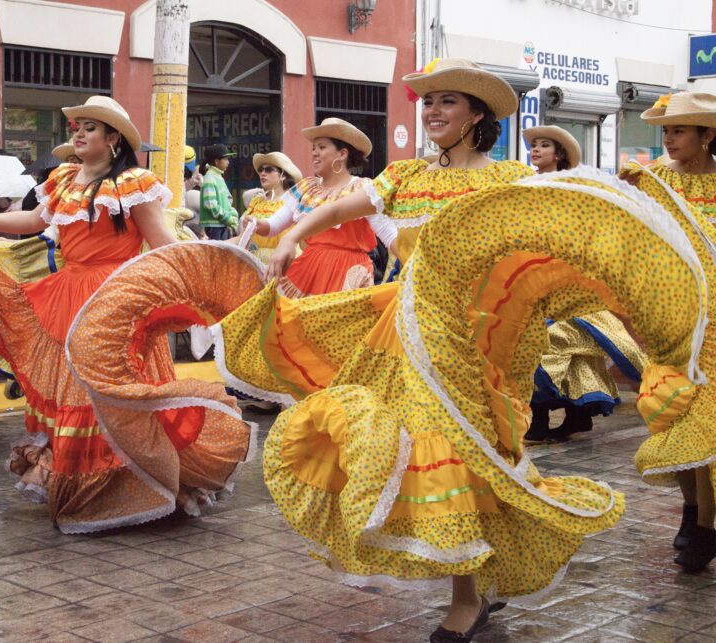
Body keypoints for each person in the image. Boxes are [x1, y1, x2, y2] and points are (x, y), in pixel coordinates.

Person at [211, 58, 628, 641]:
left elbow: (550, 236)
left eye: (447, 102)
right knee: (425, 442)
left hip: (472, 337)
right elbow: (336, 208)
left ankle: (474, 587)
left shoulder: (505, 179)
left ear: (476, 114)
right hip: (405, 330)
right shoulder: (403, 177)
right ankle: (467, 593)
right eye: (427, 102)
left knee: (469, 449)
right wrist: (292, 240)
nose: (432, 111)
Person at [0, 95, 253, 533]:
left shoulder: (134, 183)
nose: (78, 133)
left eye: (89, 126)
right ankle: (89, 482)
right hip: (68, 294)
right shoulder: (65, 178)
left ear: (113, 138)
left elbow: (162, 244)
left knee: (108, 390)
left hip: (116, 299)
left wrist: (210, 266)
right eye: (77, 126)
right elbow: (32, 220)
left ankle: (127, 483)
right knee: (73, 390)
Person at [618, 91, 716, 572]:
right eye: (666, 131)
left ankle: (703, 526)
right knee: (675, 414)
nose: (669, 140)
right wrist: (635, 316)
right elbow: (631, 249)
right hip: (673, 318)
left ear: (707, 135)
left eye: (679, 131)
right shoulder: (648, 182)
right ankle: (693, 508)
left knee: (709, 420)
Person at [522, 126, 646, 443]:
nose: (536, 150)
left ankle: (552, 418)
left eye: (543, 145)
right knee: (548, 347)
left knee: (551, 346)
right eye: (533, 145)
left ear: (558, 153)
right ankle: (572, 416)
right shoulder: (525, 186)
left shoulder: (574, 189)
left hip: (569, 282)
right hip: (533, 280)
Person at [242, 119, 388, 297]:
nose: (315, 153)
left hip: (348, 272)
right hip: (309, 269)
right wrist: (257, 223)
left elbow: (388, 234)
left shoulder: (362, 188)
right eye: (313, 148)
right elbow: (273, 226)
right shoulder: (307, 188)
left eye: (322, 147)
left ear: (342, 154)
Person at [233, 152, 301, 265]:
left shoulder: (292, 203)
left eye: (269, 170)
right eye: (261, 170)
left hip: (281, 266)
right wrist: (215, 244)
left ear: (283, 175)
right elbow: (242, 237)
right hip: (252, 266)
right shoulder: (256, 201)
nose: (263, 173)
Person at [199, 144, 238, 239]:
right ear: (216, 161)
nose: (228, 162)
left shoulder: (219, 177)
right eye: (225, 159)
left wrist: (233, 213)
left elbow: (228, 199)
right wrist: (227, 218)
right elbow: (210, 204)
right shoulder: (209, 178)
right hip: (213, 226)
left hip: (221, 224)